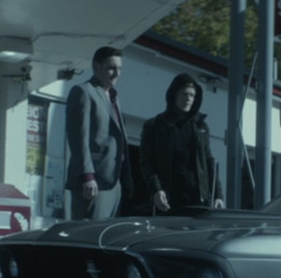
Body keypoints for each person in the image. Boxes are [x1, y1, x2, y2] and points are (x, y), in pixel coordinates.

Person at [65, 46, 133, 220]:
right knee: (87, 237)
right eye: (111, 68)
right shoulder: (83, 92)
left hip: (113, 182)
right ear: (96, 67)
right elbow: (78, 139)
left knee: (106, 238)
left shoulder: (114, 97)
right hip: (93, 181)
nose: (116, 73)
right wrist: (87, 175)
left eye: (119, 68)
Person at [140, 73, 224, 213]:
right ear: (174, 95)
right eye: (184, 94)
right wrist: (156, 190)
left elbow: (209, 161)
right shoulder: (155, 126)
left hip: (198, 200)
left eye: (192, 95)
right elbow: (147, 162)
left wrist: (218, 195)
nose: (188, 99)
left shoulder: (200, 126)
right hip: (168, 199)